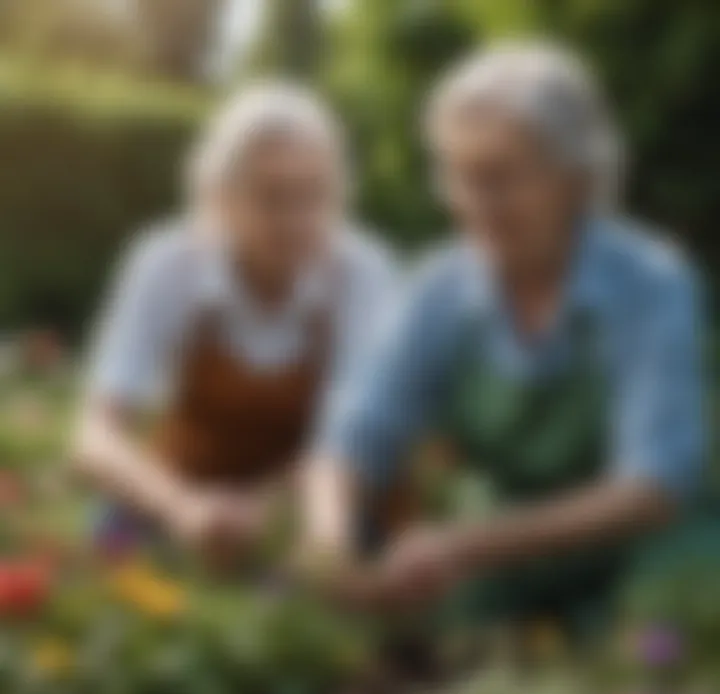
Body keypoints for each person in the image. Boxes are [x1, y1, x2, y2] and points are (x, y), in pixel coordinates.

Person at [301, 42, 708, 631]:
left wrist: (466, 545)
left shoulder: (650, 282)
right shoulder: (439, 289)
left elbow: (653, 486)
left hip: (649, 558)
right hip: (511, 559)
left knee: (652, 665)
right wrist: (329, 543)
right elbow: (351, 438)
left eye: (497, 179)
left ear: (575, 178)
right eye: (457, 178)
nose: (473, 205)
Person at [74, 83, 396, 562]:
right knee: (108, 560)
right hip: (181, 494)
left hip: (312, 504)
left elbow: (359, 441)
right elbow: (96, 436)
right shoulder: (165, 261)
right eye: (272, 197)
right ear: (219, 196)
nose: (295, 219)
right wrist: (182, 507)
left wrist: (265, 510)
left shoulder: (363, 272)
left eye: (314, 195)